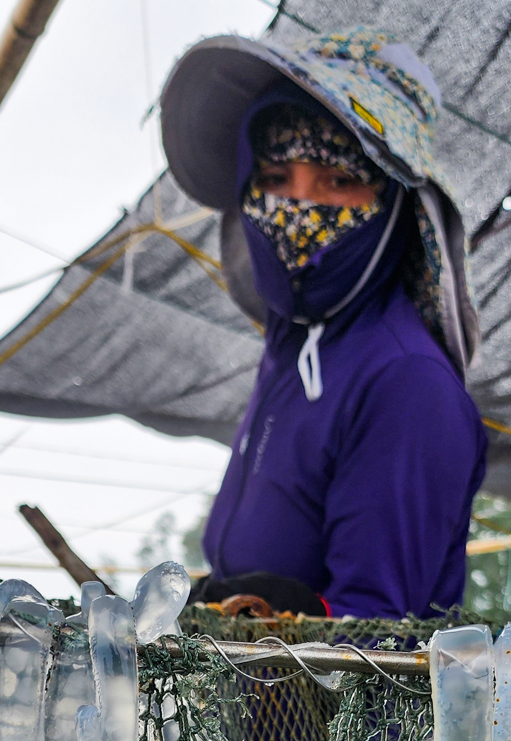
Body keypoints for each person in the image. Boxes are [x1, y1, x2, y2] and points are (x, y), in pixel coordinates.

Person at [160, 29, 485, 620]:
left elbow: (376, 640)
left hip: (333, 714)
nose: (297, 211)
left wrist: (288, 615)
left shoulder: (407, 384)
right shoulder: (294, 345)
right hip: (248, 701)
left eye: (337, 181)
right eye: (276, 180)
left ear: (391, 205)